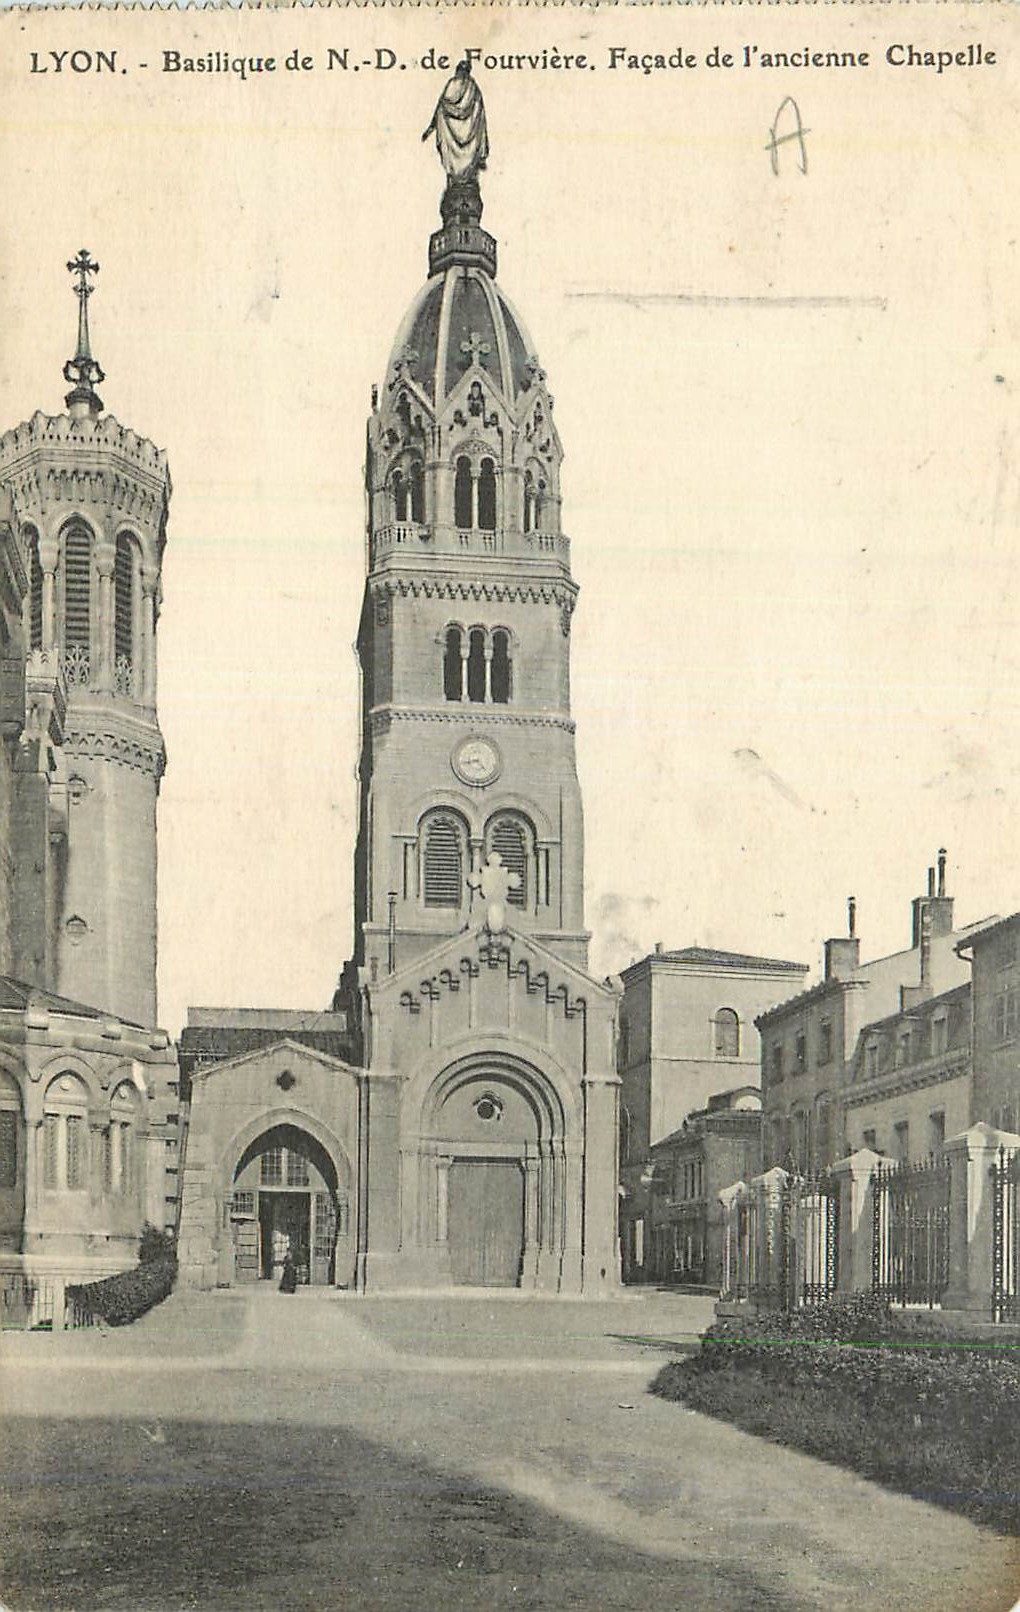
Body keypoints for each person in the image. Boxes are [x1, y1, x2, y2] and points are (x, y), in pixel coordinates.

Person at [422, 61, 489, 182]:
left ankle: (454, 179)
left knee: (454, 171)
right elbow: (480, 116)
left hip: (449, 139)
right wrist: (483, 149)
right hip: (471, 140)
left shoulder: (452, 84)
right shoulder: (473, 87)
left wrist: (430, 128)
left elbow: (441, 107)